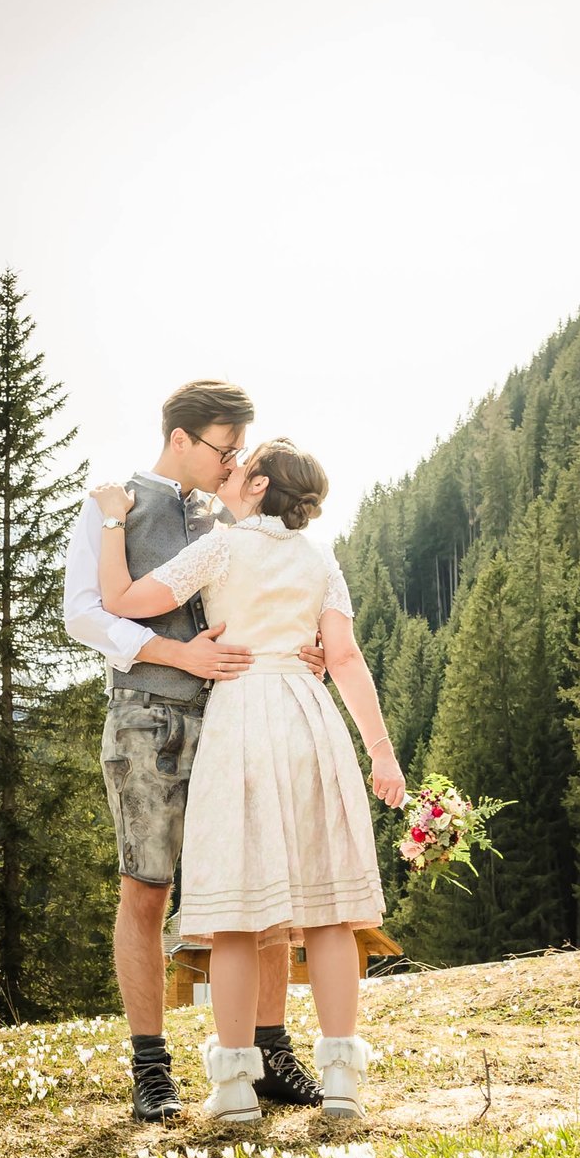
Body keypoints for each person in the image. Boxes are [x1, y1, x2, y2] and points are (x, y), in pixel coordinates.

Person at [90, 438, 404, 1121]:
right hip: (308, 719)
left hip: (237, 720)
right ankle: (344, 1081)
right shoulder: (321, 559)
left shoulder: (221, 548)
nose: (229, 474)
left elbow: (123, 599)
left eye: (241, 466)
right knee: (328, 911)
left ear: (259, 486)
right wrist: (381, 751)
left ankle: (233, 1091)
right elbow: (345, 658)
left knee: (234, 914)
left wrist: (114, 519)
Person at [64, 381, 327, 1122]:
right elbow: (81, 612)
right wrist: (177, 657)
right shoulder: (111, 507)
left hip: (236, 718)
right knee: (147, 890)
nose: (234, 460)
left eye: (241, 448)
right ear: (181, 439)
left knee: (263, 886)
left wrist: (306, 646)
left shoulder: (232, 513)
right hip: (147, 719)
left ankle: (271, 1053)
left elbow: (282, 585)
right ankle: (153, 1070)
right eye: (224, 447)